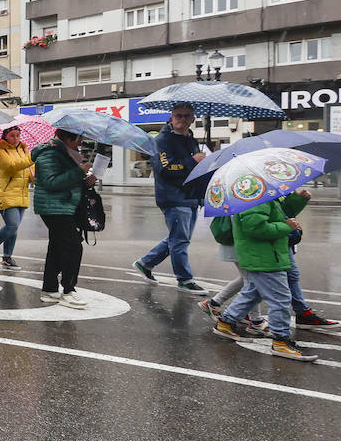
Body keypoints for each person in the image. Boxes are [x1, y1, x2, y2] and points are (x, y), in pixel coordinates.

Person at [213, 190, 318, 361]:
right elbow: (255, 227)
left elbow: (280, 213)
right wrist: (286, 226)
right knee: (280, 298)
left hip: (268, 254)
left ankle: (226, 323)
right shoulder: (254, 193)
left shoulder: (263, 192)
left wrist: (298, 200)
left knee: (253, 293)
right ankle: (281, 341)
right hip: (264, 256)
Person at [133, 105, 208, 293]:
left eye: (187, 116)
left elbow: (194, 169)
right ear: (171, 118)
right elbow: (164, 169)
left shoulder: (191, 139)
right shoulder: (162, 140)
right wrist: (193, 161)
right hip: (174, 197)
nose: (182, 119)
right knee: (180, 241)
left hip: (190, 197)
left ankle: (145, 263)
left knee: (178, 239)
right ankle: (185, 279)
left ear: (193, 119)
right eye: (178, 116)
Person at [32, 129, 95, 309]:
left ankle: (50, 289)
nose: (81, 143)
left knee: (57, 246)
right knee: (73, 246)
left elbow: (66, 181)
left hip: (63, 206)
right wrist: (78, 172)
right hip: (53, 207)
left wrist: (85, 180)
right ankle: (68, 290)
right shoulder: (49, 153)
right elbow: (51, 181)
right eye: (78, 139)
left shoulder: (64, 152)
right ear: (68, 137)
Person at [0, 125, 33, 269]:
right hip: (4, 192)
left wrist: (33, 175)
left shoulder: (24, 149)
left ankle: (7, 257)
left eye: (18, 135)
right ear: (5, 136)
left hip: (21, 193)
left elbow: (26, 170)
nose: (16, 138)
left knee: (14, 227)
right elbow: (10, 166)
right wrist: (32, 159)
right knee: (12, 226)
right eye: (12, 135)